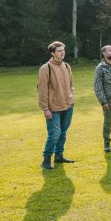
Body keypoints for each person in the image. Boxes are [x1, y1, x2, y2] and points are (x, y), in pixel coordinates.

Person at [38, 41, 75, 171]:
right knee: (54, 134)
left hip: (68, 105)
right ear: (53, 53)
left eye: (63, 50)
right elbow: (42, 90)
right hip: (53, 108)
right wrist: (45, 108)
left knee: (63, 133)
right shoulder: (45, 68)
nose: (62, 52)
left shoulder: (67, 66)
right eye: (59, 51)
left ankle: (59, 156)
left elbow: (71, 84)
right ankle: (46, 159)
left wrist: (71, 96)